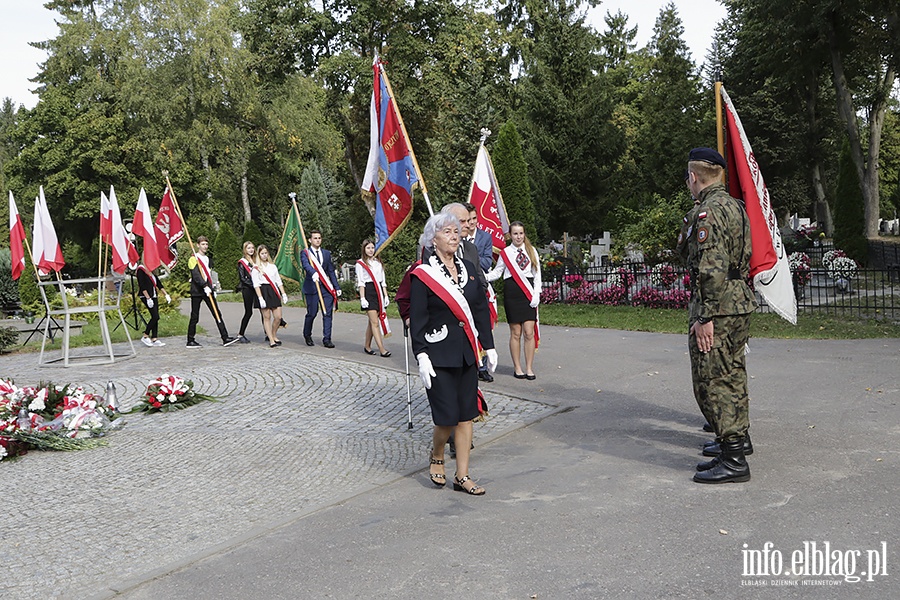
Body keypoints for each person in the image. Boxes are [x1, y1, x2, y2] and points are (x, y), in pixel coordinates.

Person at [683, 147, 758, 484]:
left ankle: (733, 459)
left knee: (714, 380)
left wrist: (706, 316)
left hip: (720, 305)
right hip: (739, 299)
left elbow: (711, 266)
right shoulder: (736, 206)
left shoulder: (708, 212)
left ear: (695, 177)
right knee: (734, 372)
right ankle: (739, 439)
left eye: (688, 176)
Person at [410, 212, 497, 495]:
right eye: (447, 231)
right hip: (438, 354)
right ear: (432, 239)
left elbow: (480, 308)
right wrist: (421, 354)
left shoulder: (469, 269)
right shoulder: (424, 274)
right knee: (446, 416)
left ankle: (462, 476)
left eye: (456, 231)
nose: (454, 235)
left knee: (466, 415)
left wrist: (489, 344)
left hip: (467, 354)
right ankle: (437, 455)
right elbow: (419, 317)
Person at [486, 221, 541, 380]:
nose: (518, 236)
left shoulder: (532, 251)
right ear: (510, 235)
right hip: (512, 293)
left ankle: (529, 367)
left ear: (524, 234)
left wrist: (536, 294)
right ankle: (518, 368)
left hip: (528, 292)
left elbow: (537, 275)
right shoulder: (506, 253)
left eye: (521, 233)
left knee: (529, 332)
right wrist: (483, 276)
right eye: (515, 233)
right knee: (516, 332)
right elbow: (497, 272)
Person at [186, 236, 239, 348]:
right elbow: (196, 275)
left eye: (206, 244)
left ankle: (225, 337)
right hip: (197, 291)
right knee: (195, 316)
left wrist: (211, 287)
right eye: (203, 244)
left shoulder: (209, 259)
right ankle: (190, 340)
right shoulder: (193, 259)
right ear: (198, 245)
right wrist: (204, 285)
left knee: (217, 313)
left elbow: (208, 275)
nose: (205, 246)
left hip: (208, 290)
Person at [301, 230, 341, 348]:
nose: (317, 240)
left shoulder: (326, 253)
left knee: (327, 313)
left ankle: (327, 339)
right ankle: (307, 334)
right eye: (315, 238)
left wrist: (336, 286)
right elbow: (305, 264)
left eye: (319, 238)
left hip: (325, 287)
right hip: (312, 287)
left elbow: (330, 271)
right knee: (312, 313)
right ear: (310, 240)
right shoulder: (305, 253)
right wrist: (313, 272)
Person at [355, 239, 391, 357]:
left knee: (372, 322)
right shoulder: (360, 264)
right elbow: (361, 283)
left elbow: (383, 281)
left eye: (372, 247)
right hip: (368, 292)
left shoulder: (378, 262)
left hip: (379, 292)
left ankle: (367, 346)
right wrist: (362, 298)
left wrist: (386, 295)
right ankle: (382, 349)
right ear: (364, 249)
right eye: (368, 248)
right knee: (375, 322)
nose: (370, 250)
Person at [252, 244, 289, 348]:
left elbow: (278, 281)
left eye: (265, 253)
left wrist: (283, 293)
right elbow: (256, 284)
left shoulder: (273, 267)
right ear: (258, 255)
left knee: (278, 317)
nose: (264, 255)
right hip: (263, 291)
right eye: (262, 254)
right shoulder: (256, 268)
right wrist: (260, 298)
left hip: (273, 291)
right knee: (267, 317)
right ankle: (271, 340)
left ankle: (273, 334)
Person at [136, 264, 170, 347]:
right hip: (146, 296)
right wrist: (148, 298)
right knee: (155, 316)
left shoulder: (152, 272)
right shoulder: (141, 270)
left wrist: (166, 294)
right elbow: (142, 285)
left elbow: (159, 284)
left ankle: (154, 338)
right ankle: (145, 335)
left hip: (154, 296)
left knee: (155, 316)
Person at [236, 241, 258, 343]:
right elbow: (242, 278)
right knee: (248, 312)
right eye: (249, 248)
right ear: (245, 249)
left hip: (257, 288)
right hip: (248, 289)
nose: (251, 250)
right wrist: (254, 284)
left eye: (252, 248)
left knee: (264, 310)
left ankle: (268, 333)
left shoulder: (256, 261)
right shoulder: (242, 262)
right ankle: (241, 334)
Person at [464, 202, 493, 272]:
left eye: (474, 218)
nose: (472, 222)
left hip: (480, 275)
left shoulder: (486, 237)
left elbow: (487, 263)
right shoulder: (459, 237)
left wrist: (470, 256)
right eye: (469, 219)